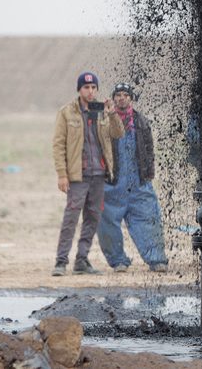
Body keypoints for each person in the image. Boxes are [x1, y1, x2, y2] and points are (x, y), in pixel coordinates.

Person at [51, 72, 124, 276]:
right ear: (79, 90)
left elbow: (118, 134)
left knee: (93, 217)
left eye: (93, 88)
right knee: (71, 218)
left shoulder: (102, 111)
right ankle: (60, 261)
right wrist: (62, 174)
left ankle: (81, 260)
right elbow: (58, 145)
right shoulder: (67, 113)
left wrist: (112, 113)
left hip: (98, 174)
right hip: (78, 175)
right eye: (86, 88)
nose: (90, 91)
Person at [97, 83, 169, 273]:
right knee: (107, 221)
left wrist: (148, 173)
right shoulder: (104, 121)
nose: (121, 98)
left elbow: (149, 150)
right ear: (113, 99)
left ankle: (156, 260)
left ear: (131, 98)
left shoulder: (141, 121)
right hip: (113, 182)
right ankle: (118, 261)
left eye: (125, 95)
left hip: (138, 181)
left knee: (148, 217)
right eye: (118, 95)